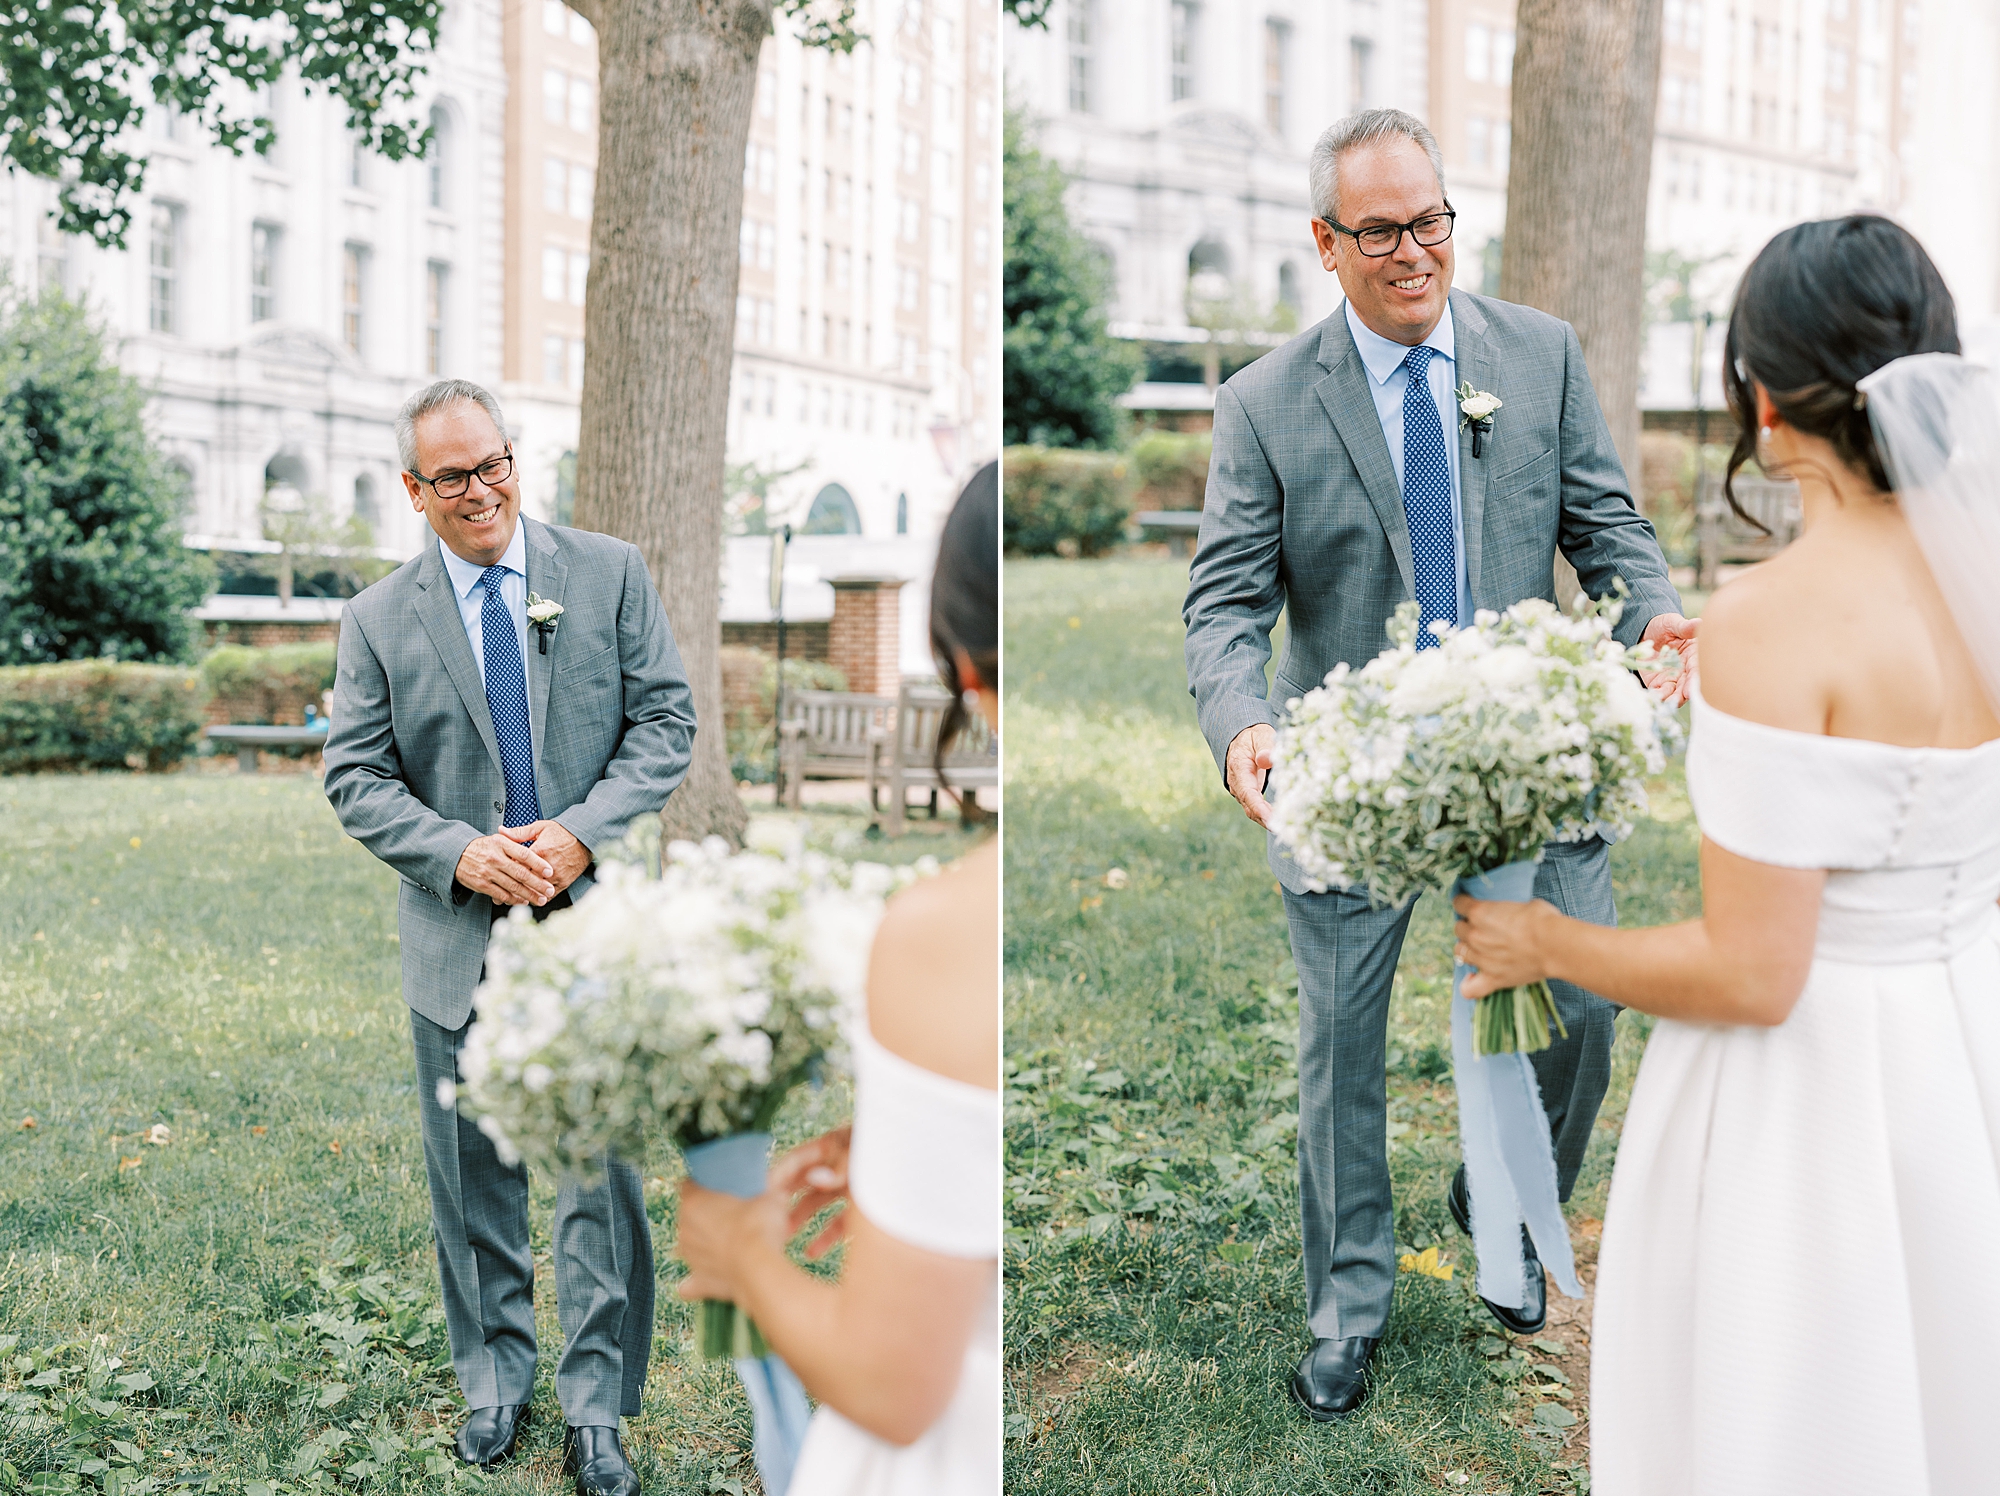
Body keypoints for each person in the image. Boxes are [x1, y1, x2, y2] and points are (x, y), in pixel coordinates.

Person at [1454, 215, 2000, 1495]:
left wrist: (1539, 940)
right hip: (1963, 1044)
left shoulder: (1771, 619)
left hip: (1812, 1101)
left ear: (1761, 398)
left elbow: (1755, 972)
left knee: (1790, 1406)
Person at [1181, 107, 1700, 1421]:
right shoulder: (1262, 403)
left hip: (1526, 746)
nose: (1414, 251)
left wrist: (1652, 620)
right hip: (1351, 769)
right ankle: (1349, 1308)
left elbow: (1607, 524)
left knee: (1581, 1008)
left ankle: (1499, 1181)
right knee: (1343, 1044)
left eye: (1431, 221)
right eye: (1381, 231)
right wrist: (1247, 723)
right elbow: (1224, 602)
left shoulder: (1543, 355)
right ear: (1326, 243)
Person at [323, 379, 696, 1494]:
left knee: (596, 1172)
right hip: (457, 935)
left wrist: (579, 835)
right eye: (453, 477)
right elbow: (354, 772)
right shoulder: (377, 618)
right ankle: (494, 1381)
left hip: (588, 923)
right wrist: (455, 850)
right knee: (471, 1173)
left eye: (495, 464)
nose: (481, 489)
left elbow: (664, 719)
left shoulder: (607, 571)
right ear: (414, 492)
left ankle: (595, 1411)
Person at [674, 461, 999, 1495]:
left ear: (965, 669)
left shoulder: (939, 933)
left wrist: (741, 1254)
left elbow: (892, 1384)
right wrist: (913, 1150)